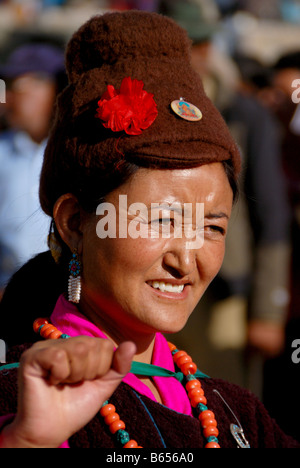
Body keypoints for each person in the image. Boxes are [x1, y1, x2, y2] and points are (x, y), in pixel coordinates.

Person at [0, 11, 298, 449]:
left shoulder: (238, 414)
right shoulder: (22, 401)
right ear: (75, 224)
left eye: (213, 227)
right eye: (161, 219)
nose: (186, 259)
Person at [0, 43, 66, 298]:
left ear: (50, 91)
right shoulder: (3, 153)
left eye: (18, 88)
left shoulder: (70, 154)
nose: (8, 100)